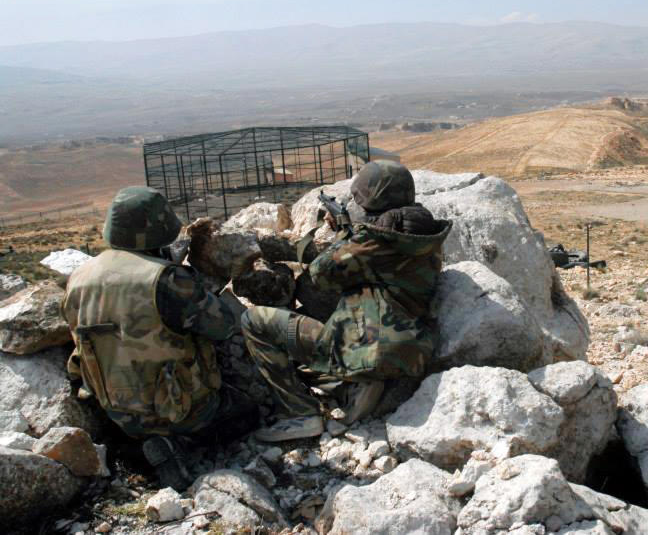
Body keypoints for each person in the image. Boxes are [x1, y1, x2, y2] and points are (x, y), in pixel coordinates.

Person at [61, 186, 256, 490]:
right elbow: (222, 325)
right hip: (181, 410)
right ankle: (179, 445)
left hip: (119, 413)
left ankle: (140, 451)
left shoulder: (78, 279)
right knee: (247, 411)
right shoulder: (165, 279)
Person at [241, 160, 451, 442]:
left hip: (373, 347)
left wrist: (343, 233)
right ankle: (354, 384)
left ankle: (301, 413)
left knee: (253, 321)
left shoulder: (373, 240)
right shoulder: (422, 234)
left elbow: (320, 273)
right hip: (411, 348)